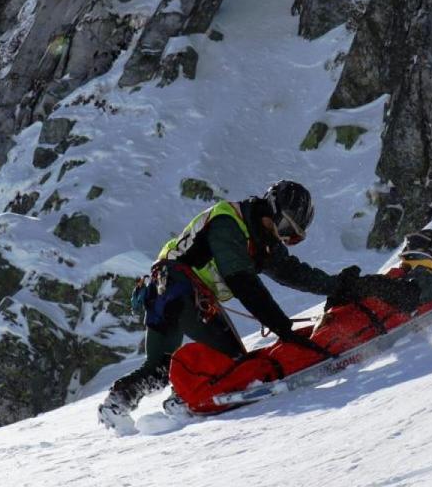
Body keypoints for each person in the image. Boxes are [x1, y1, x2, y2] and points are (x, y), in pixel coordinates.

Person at [99, 180, 352, 425]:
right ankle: (183, 400)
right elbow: (243, 283)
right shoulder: (228, 224)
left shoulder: (260, 237)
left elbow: (292, 272)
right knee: (233, 364)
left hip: (162, 292)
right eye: (285, 227)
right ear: (272, 209)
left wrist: (338, 285)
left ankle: (118, 404)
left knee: (160, 366)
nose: (283, 237)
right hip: (182, 289)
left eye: (293, 237)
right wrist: (283, 328)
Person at [169, 229, 432, 414]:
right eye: (407, 258)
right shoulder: (405, 276)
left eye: (415, 257)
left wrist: (363, 286)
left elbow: (409, 296)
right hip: (341, 326)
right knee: (277, 350)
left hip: (349, 334)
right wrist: (342, 293)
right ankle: (205, 378)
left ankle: (206, 387)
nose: (408, 264)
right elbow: (382, 296)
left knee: (283, 361)